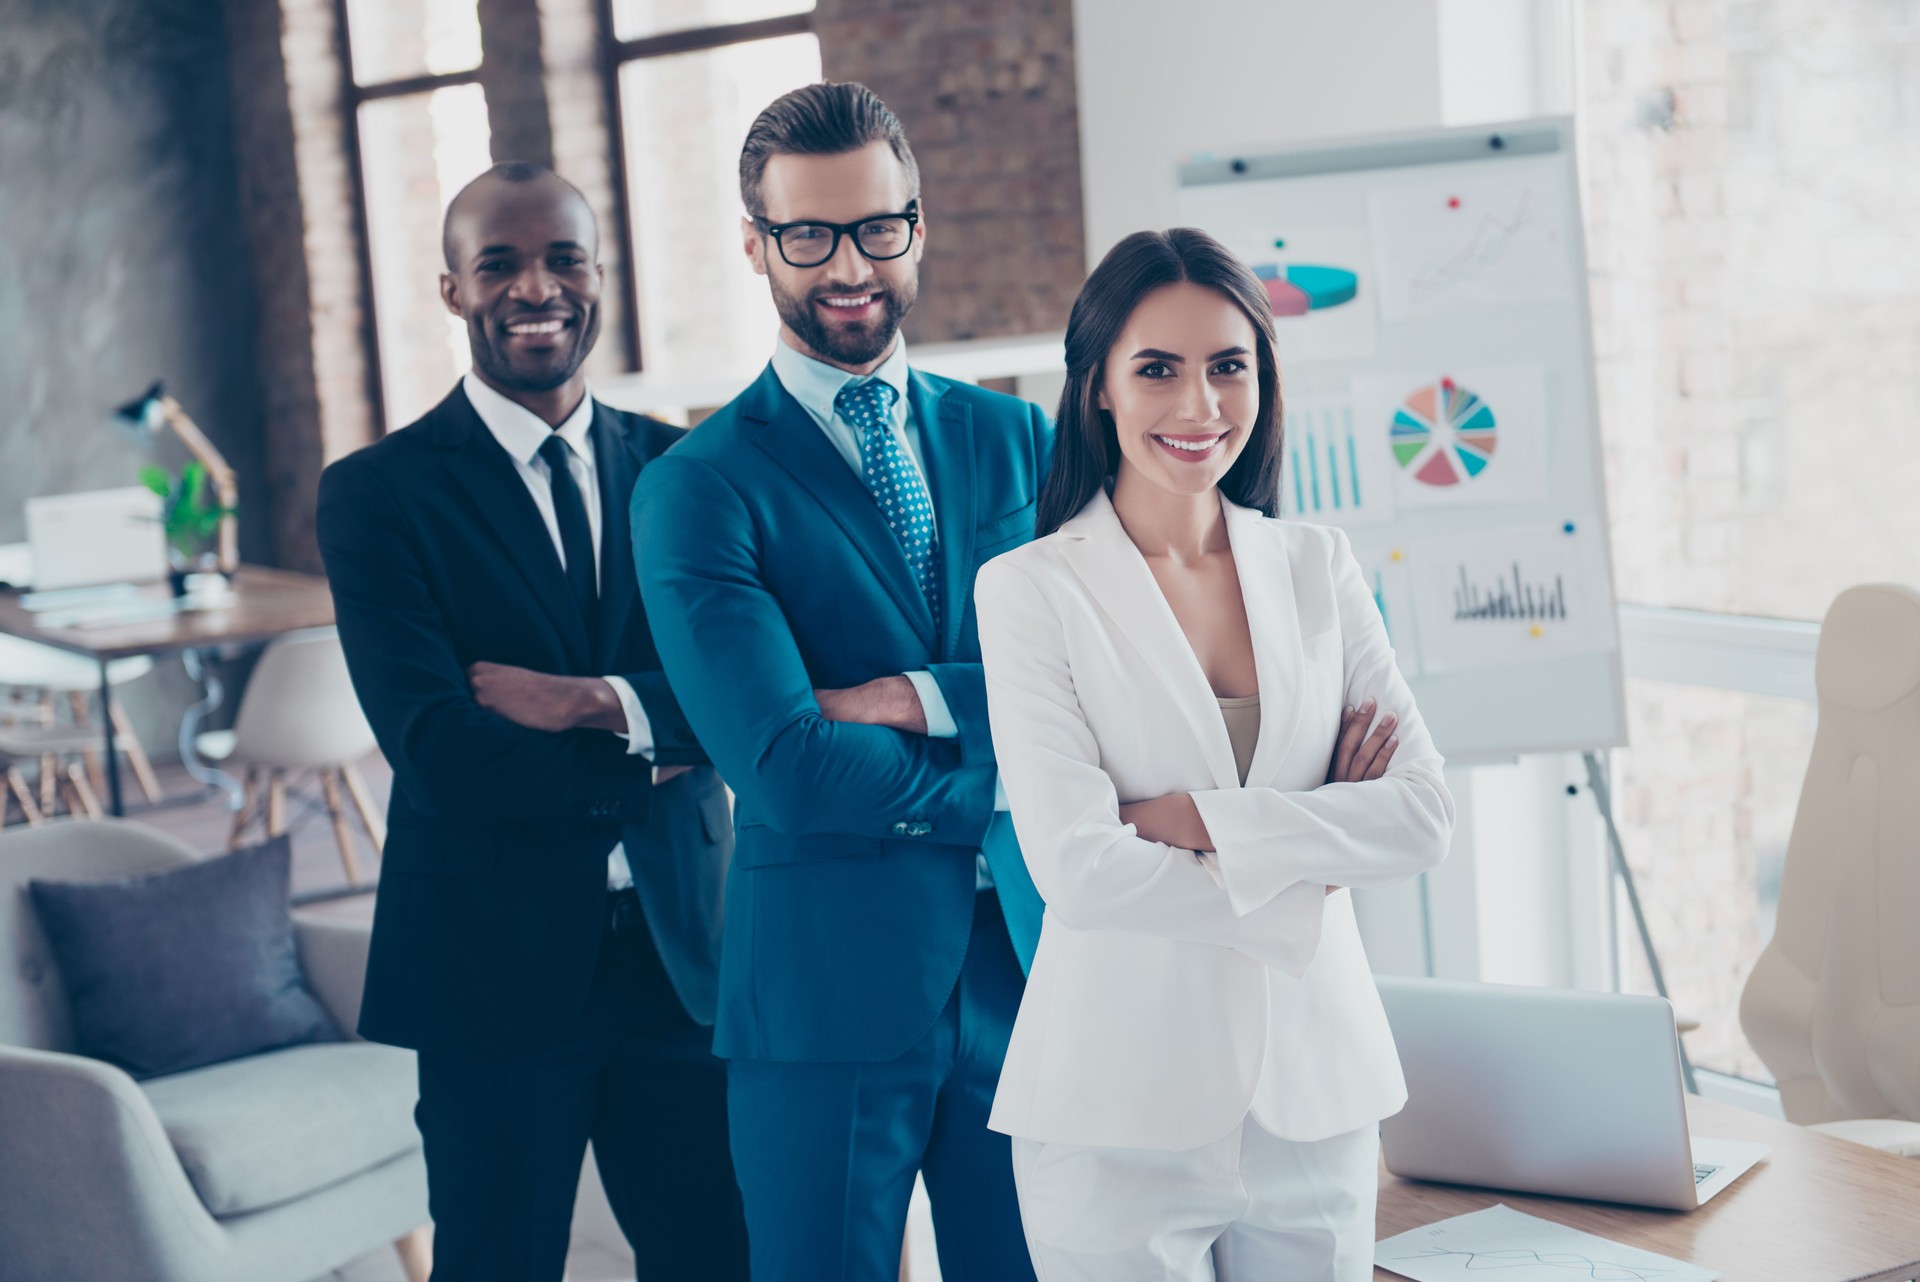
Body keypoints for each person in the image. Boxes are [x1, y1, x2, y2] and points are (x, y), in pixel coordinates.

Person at [973, 228, 1456, 1282]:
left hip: (1314, 1093)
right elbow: (1080, 869)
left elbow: (1420, 814)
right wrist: (1312, 861)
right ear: (1098, 383)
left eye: (1227, 365)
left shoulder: (1315, 564)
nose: (1199, 407)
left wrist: (1193, 819)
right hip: (1117, 1106)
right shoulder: (1030, 590)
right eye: (1158, 369)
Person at [631, 83, 1049, 1282]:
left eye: (876, 227)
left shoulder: (1013, 440)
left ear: (918, 223)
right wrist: (1017, 764)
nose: (848, 265)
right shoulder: (697, 486)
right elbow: (784, 765)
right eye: (808, 235)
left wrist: (926, 696)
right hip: (822, 987)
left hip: (1025, 966)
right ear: (756, 244)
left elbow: (1094, 683)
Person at [316, 162, 746, 1282]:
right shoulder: (378, 494)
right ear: (454, 289)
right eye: (498, 263)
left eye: (562, 257)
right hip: (488, 969)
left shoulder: (687, 471)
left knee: (721, 1258)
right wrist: (655, 742)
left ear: (600, 275)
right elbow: (440, 752)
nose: (534, 287)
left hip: (683, 957)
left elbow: (752, 699)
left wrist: (587, 707)